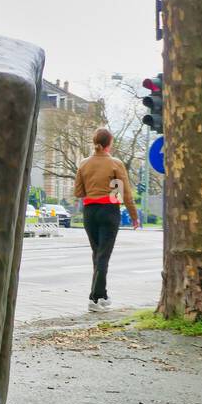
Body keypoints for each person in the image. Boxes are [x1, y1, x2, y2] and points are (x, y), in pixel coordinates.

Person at [74, 128, 140, 312]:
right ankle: (94, 299)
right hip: (109, 211)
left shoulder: (84, 164)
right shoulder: (115, 163)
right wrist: (134, 216)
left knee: (97, 254)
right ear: (109, 143)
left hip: (89, 212)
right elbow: (125, 193)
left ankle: (102, 295)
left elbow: (78, 192)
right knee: (103, 255)